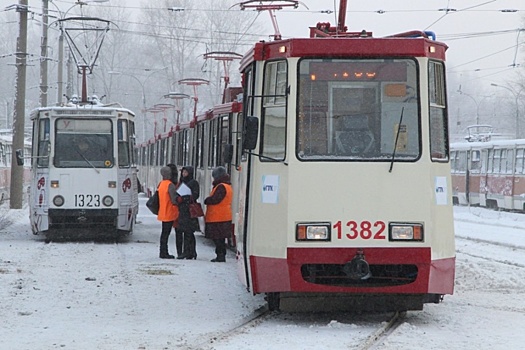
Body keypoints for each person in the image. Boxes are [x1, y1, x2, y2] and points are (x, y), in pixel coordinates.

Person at [204, 166, 233, 262]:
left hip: (218, 217)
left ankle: (220, 255)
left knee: (218, 238)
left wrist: (207, 200)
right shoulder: (227, 186)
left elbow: (216, 199)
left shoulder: (221, 186)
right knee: (220, 238)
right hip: (223, 216)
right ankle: (220, 255)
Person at [176, 166, 200, 260]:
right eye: (183, 172)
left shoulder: (193, 183)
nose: (184, 174)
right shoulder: (181, 182)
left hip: (189, 210)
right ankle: (191, 252)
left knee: (188, 232)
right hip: (182, 210)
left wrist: (185, 197)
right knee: (187, 231)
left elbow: (195, 195)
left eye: (186, 172)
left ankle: (187, 252)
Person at [157, 166, 179, 259]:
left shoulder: (161, 184)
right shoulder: (170, 185)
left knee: (164, 234)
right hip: (170, 212)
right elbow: (174, 200)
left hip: (163, 212)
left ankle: (163, 251)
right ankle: (164, 253)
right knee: (166, 234)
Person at [166, 163, 183, 257]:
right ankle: (180, 253)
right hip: (177, 211)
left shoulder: (165, 184)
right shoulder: (178, 184)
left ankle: (165, 252)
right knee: (179, 232)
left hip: (168, 212)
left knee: (166, 234)